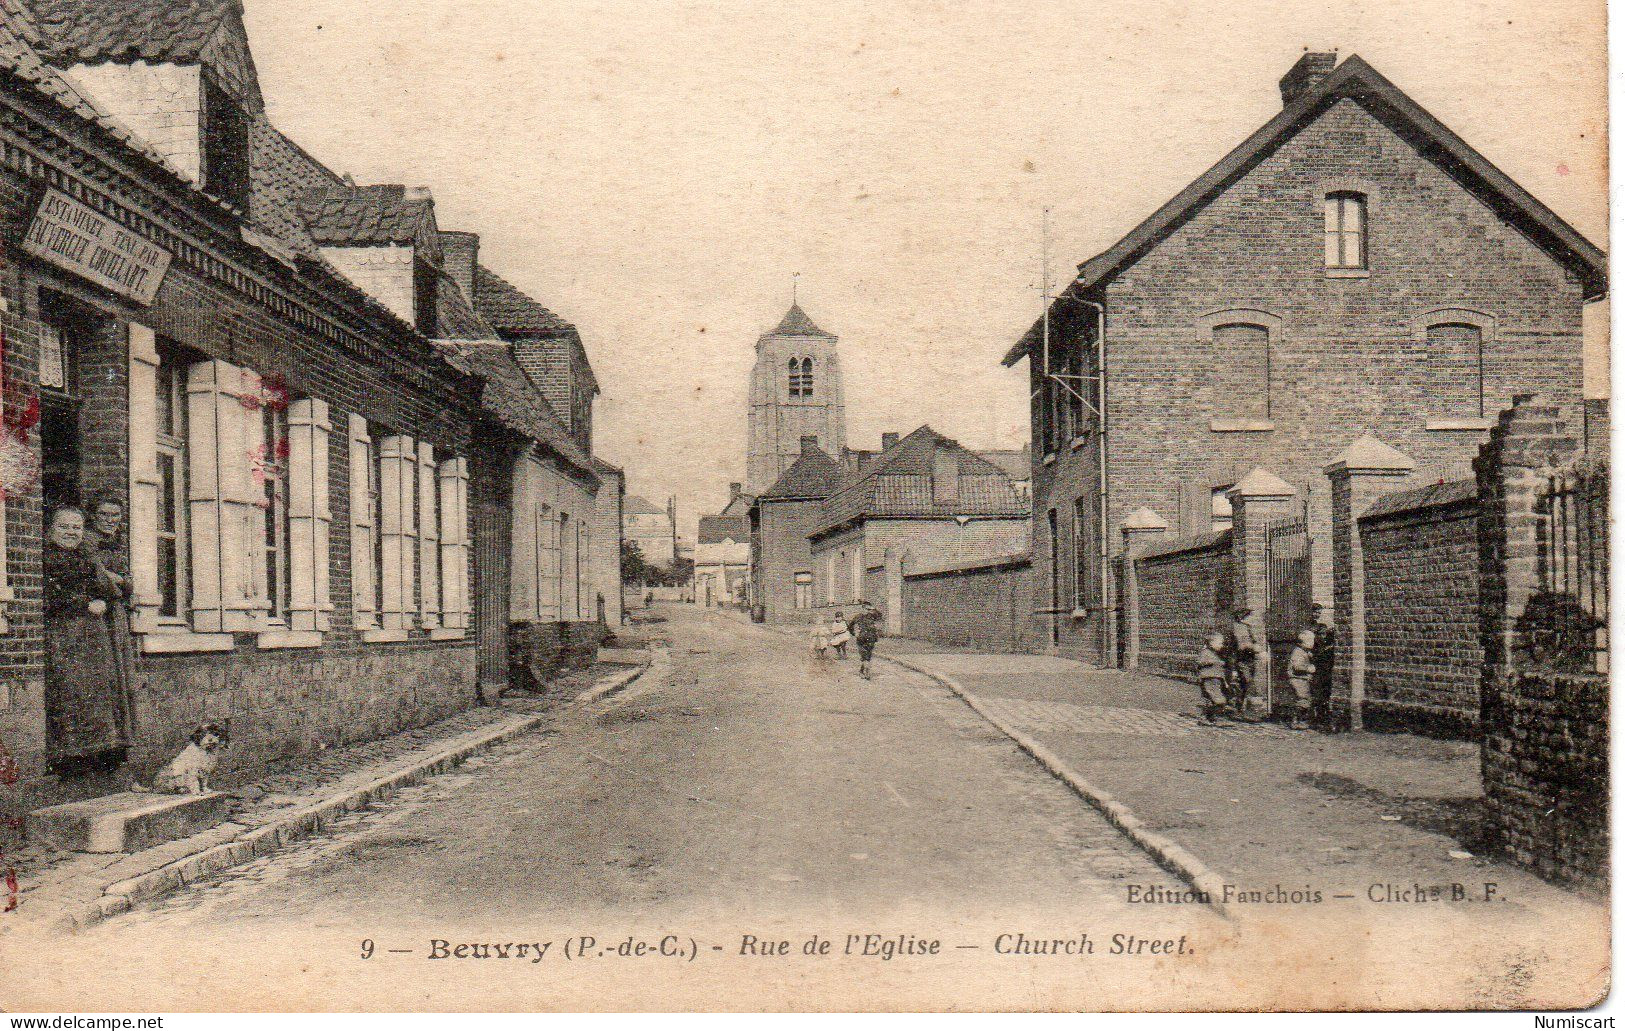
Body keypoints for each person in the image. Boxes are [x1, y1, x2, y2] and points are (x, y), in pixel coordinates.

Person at [43, 507, 127, 777]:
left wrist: (104, 595)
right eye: (64, 527)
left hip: (93, 634)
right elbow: (48, 597)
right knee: (70, 691)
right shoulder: (45, 557)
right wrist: (84, 602)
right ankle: (70, 758)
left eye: (76, 528)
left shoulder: (86, 556)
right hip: (63, 633)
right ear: (51, 529)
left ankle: (98, 754)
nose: (71, 533)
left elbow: (110, 589)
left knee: (98, 691)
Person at [85, 495, 136, 743]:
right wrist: (117, 582)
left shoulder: (116, 543)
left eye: (114, 515)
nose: (109, 520)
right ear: (93, 516)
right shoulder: (87, 541)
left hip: (116, 616)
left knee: (121, 674)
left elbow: (128, 583)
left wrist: (119, 581)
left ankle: (120, 738)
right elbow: (97, 578)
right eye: (104, 514)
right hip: (98, 615)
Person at [1225, 606, 1258, 718]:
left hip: (1249, 660)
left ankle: (1239, 709)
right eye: (1248, 616)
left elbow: (1253, 643)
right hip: (1240, 661)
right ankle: (1238, 709)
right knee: (1244, 683)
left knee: (1245, 685)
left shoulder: (1248, 628)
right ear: (1242, 618)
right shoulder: (1236, 629)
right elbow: (1235, 648)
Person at [1308, 603, 1336, 727]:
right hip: (1314, 661)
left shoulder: (1320, 626)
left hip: (1322, 663)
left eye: (1318, 613)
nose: (1316, 615)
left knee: (1324, 689)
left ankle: (1322, 715)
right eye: (1315, 612)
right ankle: (1315, 716)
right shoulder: (1309, 627)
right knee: (1316, 690)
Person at [1196, 632, 1230, 725]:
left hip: (1216, 680)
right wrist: (1212, 661)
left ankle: (1208, 718)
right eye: (1220, 643)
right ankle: (1212, 718)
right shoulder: (1205, 652)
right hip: (1209, 679)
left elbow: (1220, 671)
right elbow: (1200, 662)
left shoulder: (1215, 654)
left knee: (1211, 700)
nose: (1222, 645)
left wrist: (1225, 681)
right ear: (1211, 643)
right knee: (1217, 699)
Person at [1285, 630, 1316, 730]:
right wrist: (1308, 668)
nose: (1313, 643)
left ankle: (1299, 720)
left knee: (1305, 700)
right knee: (1303, 699)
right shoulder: (1298, 652)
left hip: (1302, 679)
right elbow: (1297, 667)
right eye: (1311, 641)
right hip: (1298, 679)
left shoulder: (1304, 652)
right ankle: (1295, 721)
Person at [849, 601, 885, 680]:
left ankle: (862, 670)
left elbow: (880, 616)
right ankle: (867, 672)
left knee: (868, 656)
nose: (867, 610)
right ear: (862, 608)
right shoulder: (858, 617)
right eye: (865, 608)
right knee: (864, 655)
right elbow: (850, 626)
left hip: (871, 638)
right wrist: (854, 633)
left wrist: (874, 609)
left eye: (868, 609)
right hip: (861, 638)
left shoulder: (872, 616)